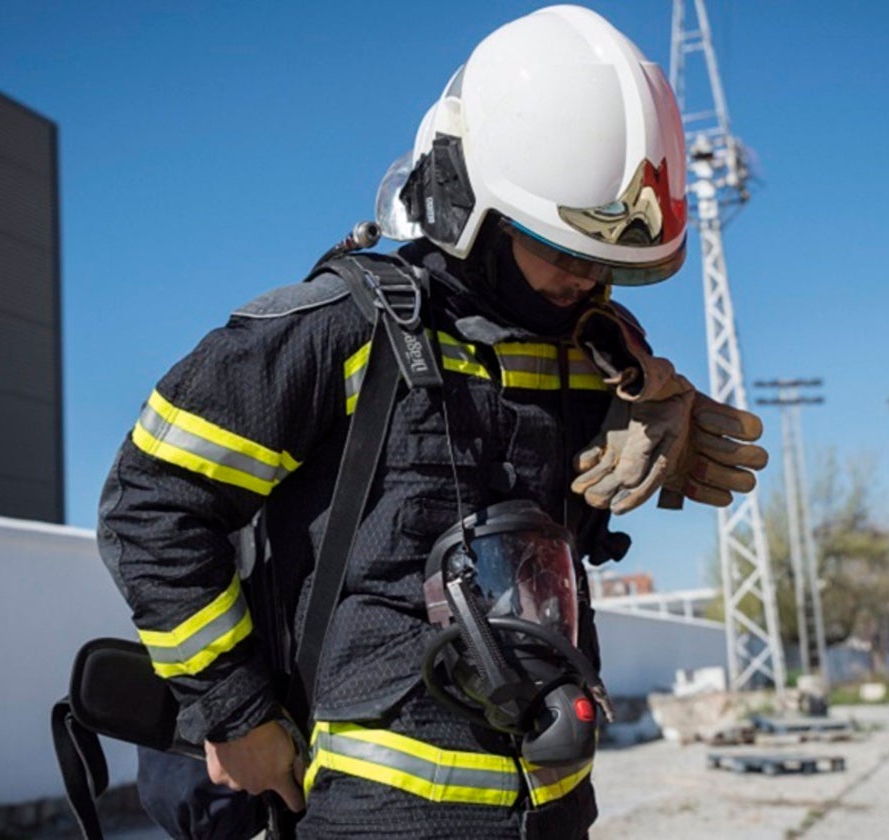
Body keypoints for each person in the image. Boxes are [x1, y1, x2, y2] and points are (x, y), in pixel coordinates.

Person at [96, 6, 767, 838]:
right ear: (468, 205)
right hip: (370, 817)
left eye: (607, 266)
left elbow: (524, 561)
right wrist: (234, 714)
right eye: (564, 252)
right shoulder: (334, 332)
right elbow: (152, 506)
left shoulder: (596, 351)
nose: (586, 281)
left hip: (552, 809)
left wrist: (632, 408)